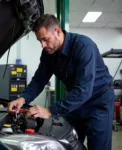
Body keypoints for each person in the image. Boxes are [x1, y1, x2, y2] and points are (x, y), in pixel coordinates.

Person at [8, 14, 114, 150]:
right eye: (40, 41)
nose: (43, 45)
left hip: (99, 102)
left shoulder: (84, 46)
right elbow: (39, 80)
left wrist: (49, 111)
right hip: (76, 101)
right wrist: (23, 99)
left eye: (45, 39)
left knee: (99, 146)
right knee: (67, 142)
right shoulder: (48, 53)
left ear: (57, 31)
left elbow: (84, 90)